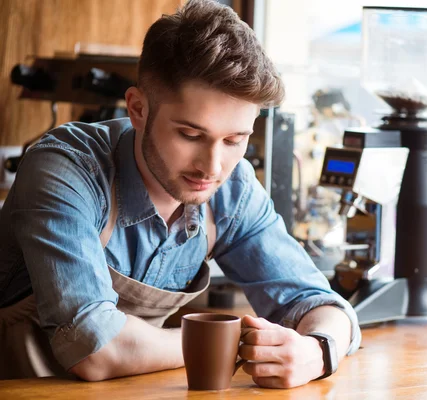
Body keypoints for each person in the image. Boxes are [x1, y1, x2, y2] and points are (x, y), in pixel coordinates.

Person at [0, 0, 360, 388]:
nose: (213, 166)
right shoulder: (65, 169)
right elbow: (95, 348)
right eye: (190, 135)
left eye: (235, 139)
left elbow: (320, 303)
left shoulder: (233, 189)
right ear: (137, 108)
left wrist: (317, 351)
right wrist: (229, 340)